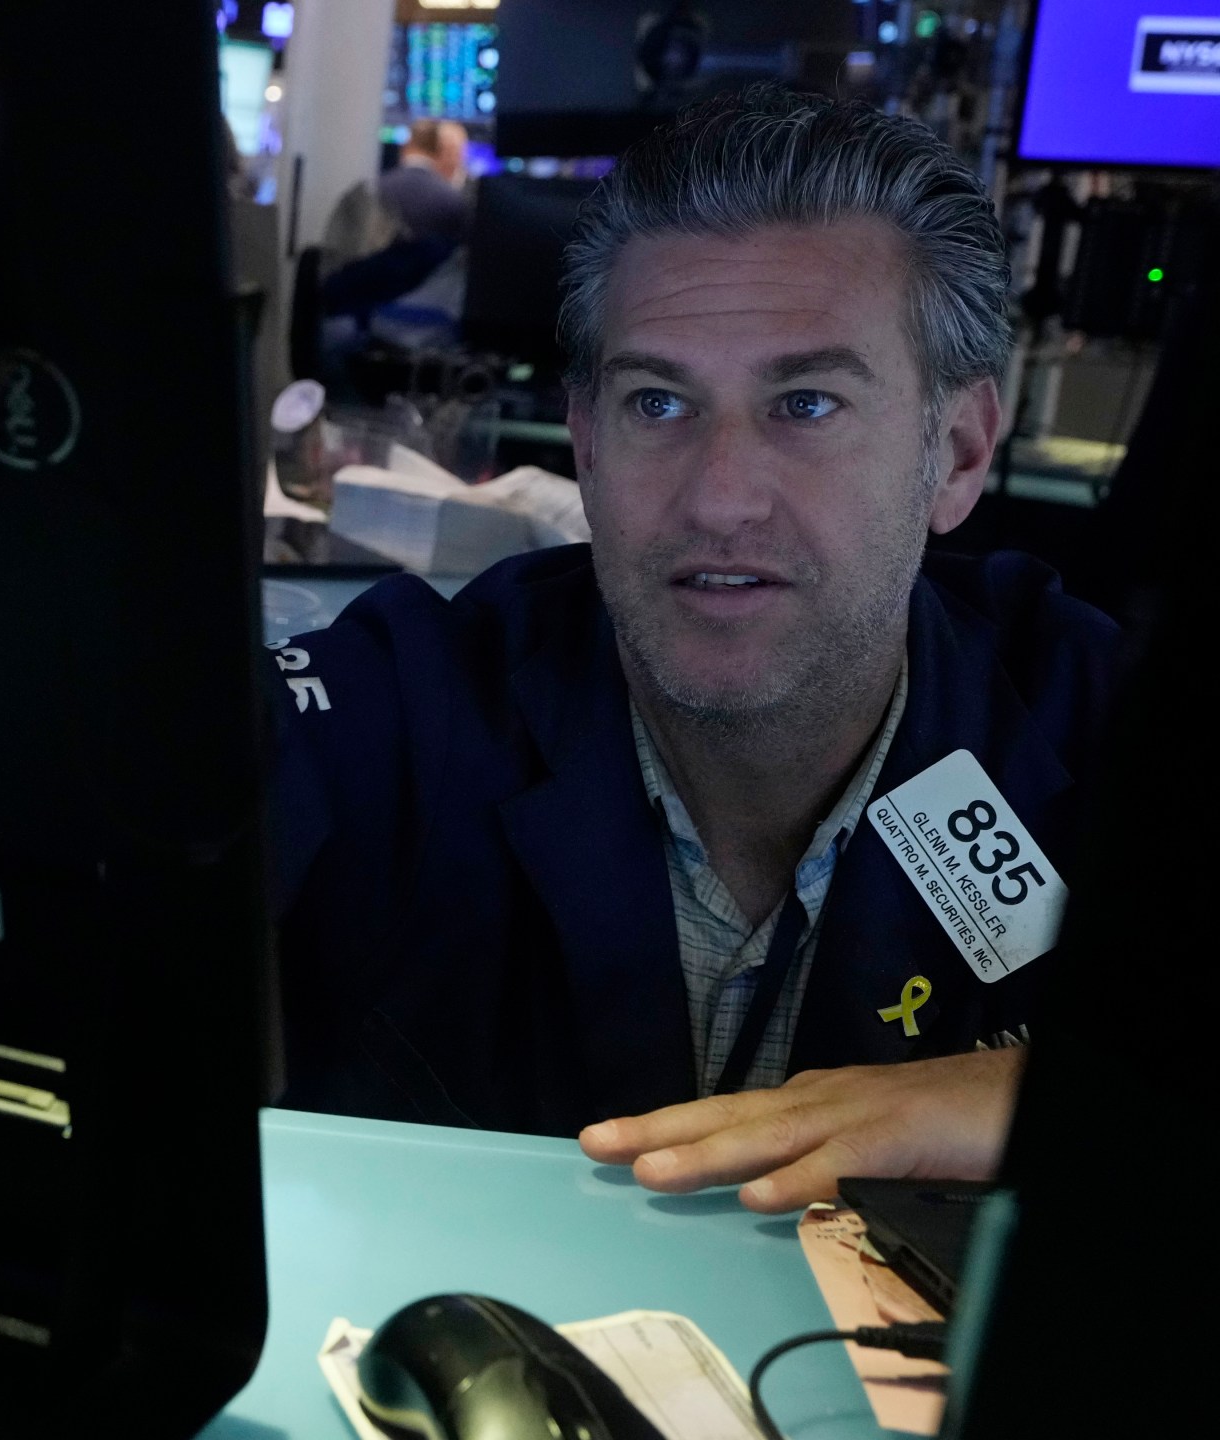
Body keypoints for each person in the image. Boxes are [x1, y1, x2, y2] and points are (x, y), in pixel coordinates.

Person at [269, 86, 1121, 1212]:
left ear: (957, 455)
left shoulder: (1091, 720)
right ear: (583, 442)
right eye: (657, 405)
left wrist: (1030, 1094)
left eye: (806, 405)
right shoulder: (404, 707)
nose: (718, 501)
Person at [319, 120, 471, 328]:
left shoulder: (369, 191)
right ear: (441, 151)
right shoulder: (454, 202)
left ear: (406, 147)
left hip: (353, 316)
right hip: (421, 326)